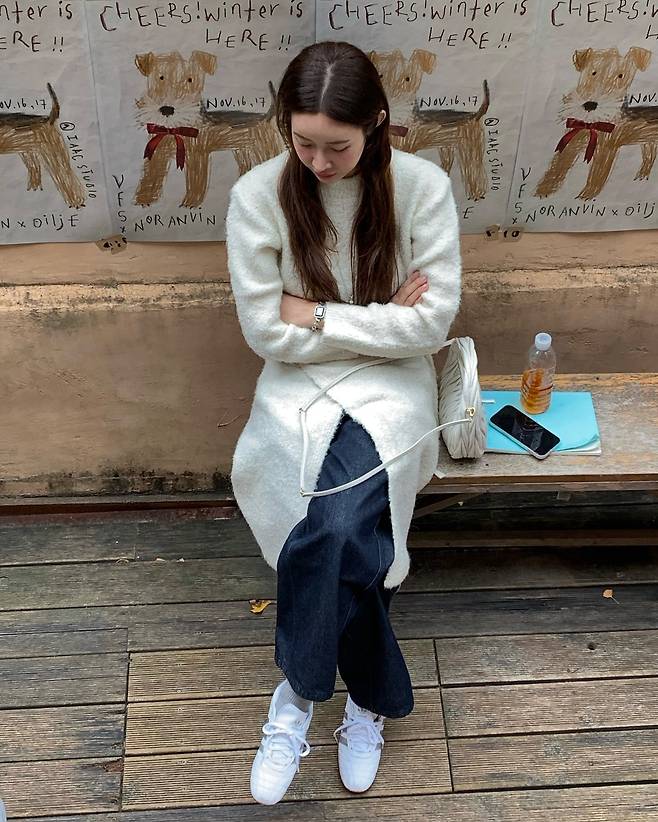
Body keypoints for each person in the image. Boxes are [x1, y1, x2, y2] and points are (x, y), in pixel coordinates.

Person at [225, 40, 461, 805]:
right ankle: (366, 696)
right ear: (284, 128)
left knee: (336, 525)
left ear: (377, 124)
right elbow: (265, 332)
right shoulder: (258, 195)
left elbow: (430, 327)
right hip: (296, 387)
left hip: (394, 390)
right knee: (346, 533)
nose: (320, 163)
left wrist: (320, 314)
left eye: (338, 146)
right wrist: (380, 317)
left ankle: (297, 694)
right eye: (304, 144)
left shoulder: (422, 188)